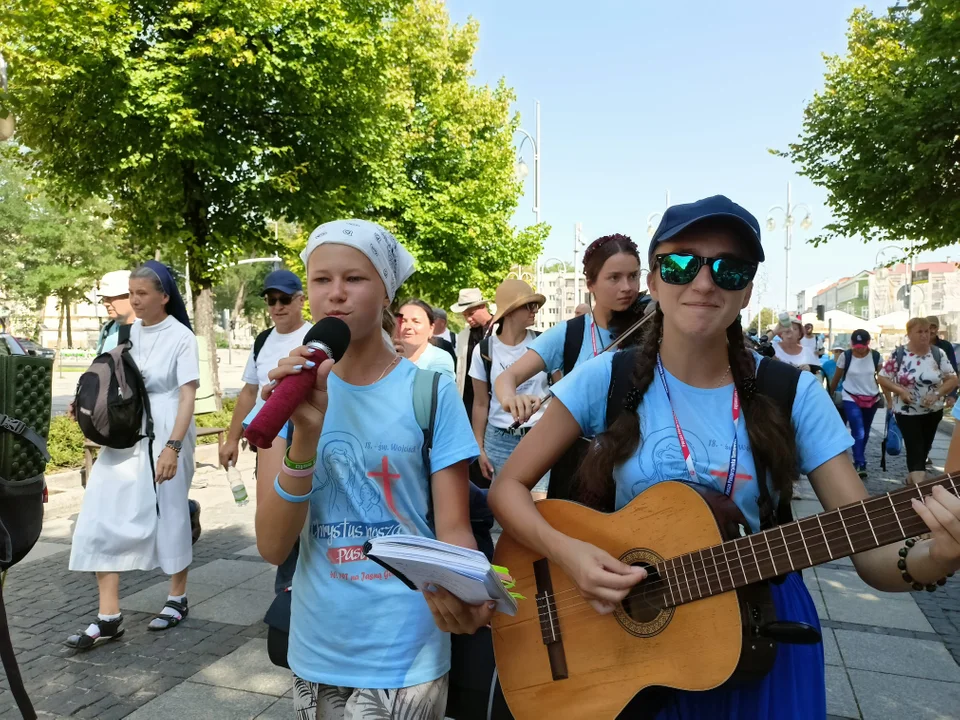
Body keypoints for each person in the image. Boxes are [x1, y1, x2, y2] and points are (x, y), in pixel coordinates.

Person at [487, 195, 960, 720]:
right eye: (683, 262)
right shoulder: (607, 377)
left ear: (747, 291)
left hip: (758, 644)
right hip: (621, 645)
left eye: (729, 268)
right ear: (656, 281)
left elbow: (872, 557)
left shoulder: (793, 394)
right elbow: (508, 490)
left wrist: (939, 556)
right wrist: (570, 554)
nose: (704, 282)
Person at [255, 219, 491, 719]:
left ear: (387, 291)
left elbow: (453, 528)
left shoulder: (429, 391)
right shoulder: (287, 395)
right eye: (321, 280)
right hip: (319, 644)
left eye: (354, 279)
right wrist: (305, 436)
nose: (336, 295)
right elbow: (273, 545)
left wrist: (470, 587)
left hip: (408, 646)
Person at [67, 260, 200, 649]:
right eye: (132, 293)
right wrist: (85, 402)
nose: (136, 300)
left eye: (142, 293)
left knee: (170, 510)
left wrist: (173, 446)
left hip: (168, 427)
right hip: (128, 432)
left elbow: (187, 393)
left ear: (164, 296)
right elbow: (109, 379)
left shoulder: (180, 336)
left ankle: (177, 597)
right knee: (99, 512)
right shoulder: (124, 333)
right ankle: (108, 617)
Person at [220, 269, 311, 591]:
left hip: (303, 439)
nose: (277, 306)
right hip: (267, 441)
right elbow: (249, 391)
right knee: (272, 512)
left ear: (301, 300)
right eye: (271, 300)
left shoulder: (314, 338)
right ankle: (285, 588)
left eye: (284, 299)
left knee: (300, 512)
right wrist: (232, 438)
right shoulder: (262, 340)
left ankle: (299, 582)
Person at [494, 234, 641, 426]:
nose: (627, 287)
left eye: (633, 276)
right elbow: (507, 377)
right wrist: (510, 399)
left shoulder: (650, 324)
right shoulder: (570, 333)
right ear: (591, 284)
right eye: (614, 277)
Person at [468, 279, 551, 498]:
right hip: (498, 439)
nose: (534, 310)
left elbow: (561, 391)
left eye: (535, 305)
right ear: (510, 311)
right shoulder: (484, 350)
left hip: (538, 436)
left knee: (538, 506)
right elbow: (480, 403)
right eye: (528, 305)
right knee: (506, 510)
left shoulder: (545, 342)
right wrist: (479, 448)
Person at [878, 317, 958, 486]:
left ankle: (911, 480)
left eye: (927, 332)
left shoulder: (937, 354)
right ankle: (920, 490)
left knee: (924, 450)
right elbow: (883, 378)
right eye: (920, 332)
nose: (924, 336)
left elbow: (952, 379)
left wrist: (937, 394)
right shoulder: (899, 354)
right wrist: (900, 391)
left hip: (933, 411)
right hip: (906, 411)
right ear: (909, 334)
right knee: (915, 448)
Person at [830, 330, 883, 479]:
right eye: (856, 345)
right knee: (857, 430)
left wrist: (890, 400)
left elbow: (883, 379)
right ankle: (860, 462)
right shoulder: (845, 356)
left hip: (871, 397)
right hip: (850, 396)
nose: (859, 348)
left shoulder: (876, 357)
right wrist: (829, 395)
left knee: (865, 431)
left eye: (862, 345)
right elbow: (836, 378)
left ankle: (858, 457)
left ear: (868, 344)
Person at [398, 299, 455, 380]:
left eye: (416, 321)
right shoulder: (387, 357)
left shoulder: (440, 359)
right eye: (403, 321)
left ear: (431, 329)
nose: (408, 326)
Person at [93, 270, 134, 353]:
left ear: (131, 296)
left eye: (110, 297)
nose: (105, 303)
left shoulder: (148, 329)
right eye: (104, 298)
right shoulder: (107, 328)